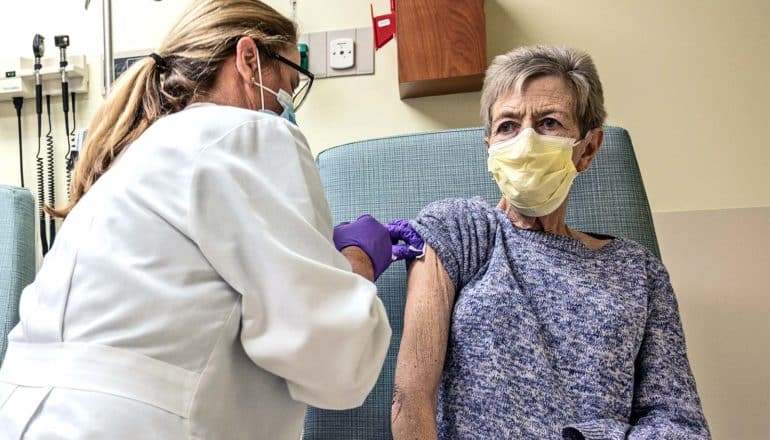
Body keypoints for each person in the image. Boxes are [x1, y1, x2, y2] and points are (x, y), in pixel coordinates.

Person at [0, 1, 423, 439]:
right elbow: (333, 362)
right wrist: (358, 262)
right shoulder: (252, 134)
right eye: (290, 84)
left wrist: (313, 258)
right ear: (248, 59)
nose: (287, 106)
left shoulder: (130, 159)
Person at [391, 45, 710, 439]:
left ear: (588, 149)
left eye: (548, 123)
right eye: (507, 125)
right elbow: (410, 399)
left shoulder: (637, 271)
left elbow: (681, 425)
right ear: (490, 148)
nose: (525, 141)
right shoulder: (460, 230)